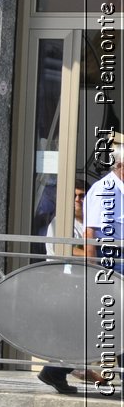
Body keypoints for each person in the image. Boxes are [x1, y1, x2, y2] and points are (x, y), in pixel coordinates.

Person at [40, 147, 124, 393]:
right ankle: (54, 370)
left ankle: (53, 371)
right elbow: (90, 235)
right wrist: (94, 273)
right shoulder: (103, 191)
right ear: (120, 166)